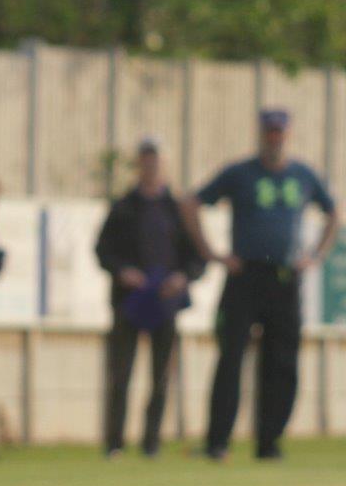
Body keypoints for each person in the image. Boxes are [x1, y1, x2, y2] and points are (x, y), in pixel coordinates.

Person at [181, 109, 339, 460]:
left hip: (285, 279)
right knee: (231, 357)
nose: (274, 138)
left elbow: (334, 212)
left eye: (279, 132)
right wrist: (212, 253)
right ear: (261, 134)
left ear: (288, 134)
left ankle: (269, 442)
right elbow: (191, 202)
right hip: (245, 276)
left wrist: (316, 255)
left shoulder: (303, 175)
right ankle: (217, 442)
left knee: (281, 363)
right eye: (269, 132)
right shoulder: (240, 173)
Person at [95, 138, 204, 458]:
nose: (151, 168)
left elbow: (196, 256)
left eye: (156, 163)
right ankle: (114, 442)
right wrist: (123, 271)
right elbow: (103, 251)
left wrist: (183, 277)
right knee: (121, 373)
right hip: (129, 302)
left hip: (164, 303)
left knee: (160, 377)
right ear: (139, 166)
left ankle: (151, 442)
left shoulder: (177, 209)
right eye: (145, 163)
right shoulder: (123, 207)